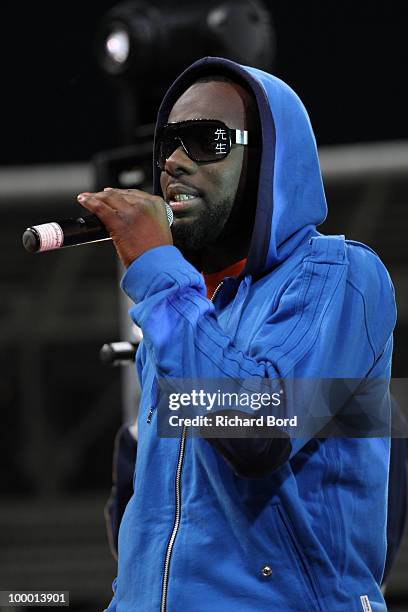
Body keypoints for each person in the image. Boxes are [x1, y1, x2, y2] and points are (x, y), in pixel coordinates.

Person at [78, 57, 397, 611]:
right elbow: (157, 523)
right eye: (168, 144)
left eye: (208, 140)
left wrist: (160, 276)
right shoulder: (181, 304)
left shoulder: (340, 274)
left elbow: (256, 432)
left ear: (270, 158)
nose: (174, 162)